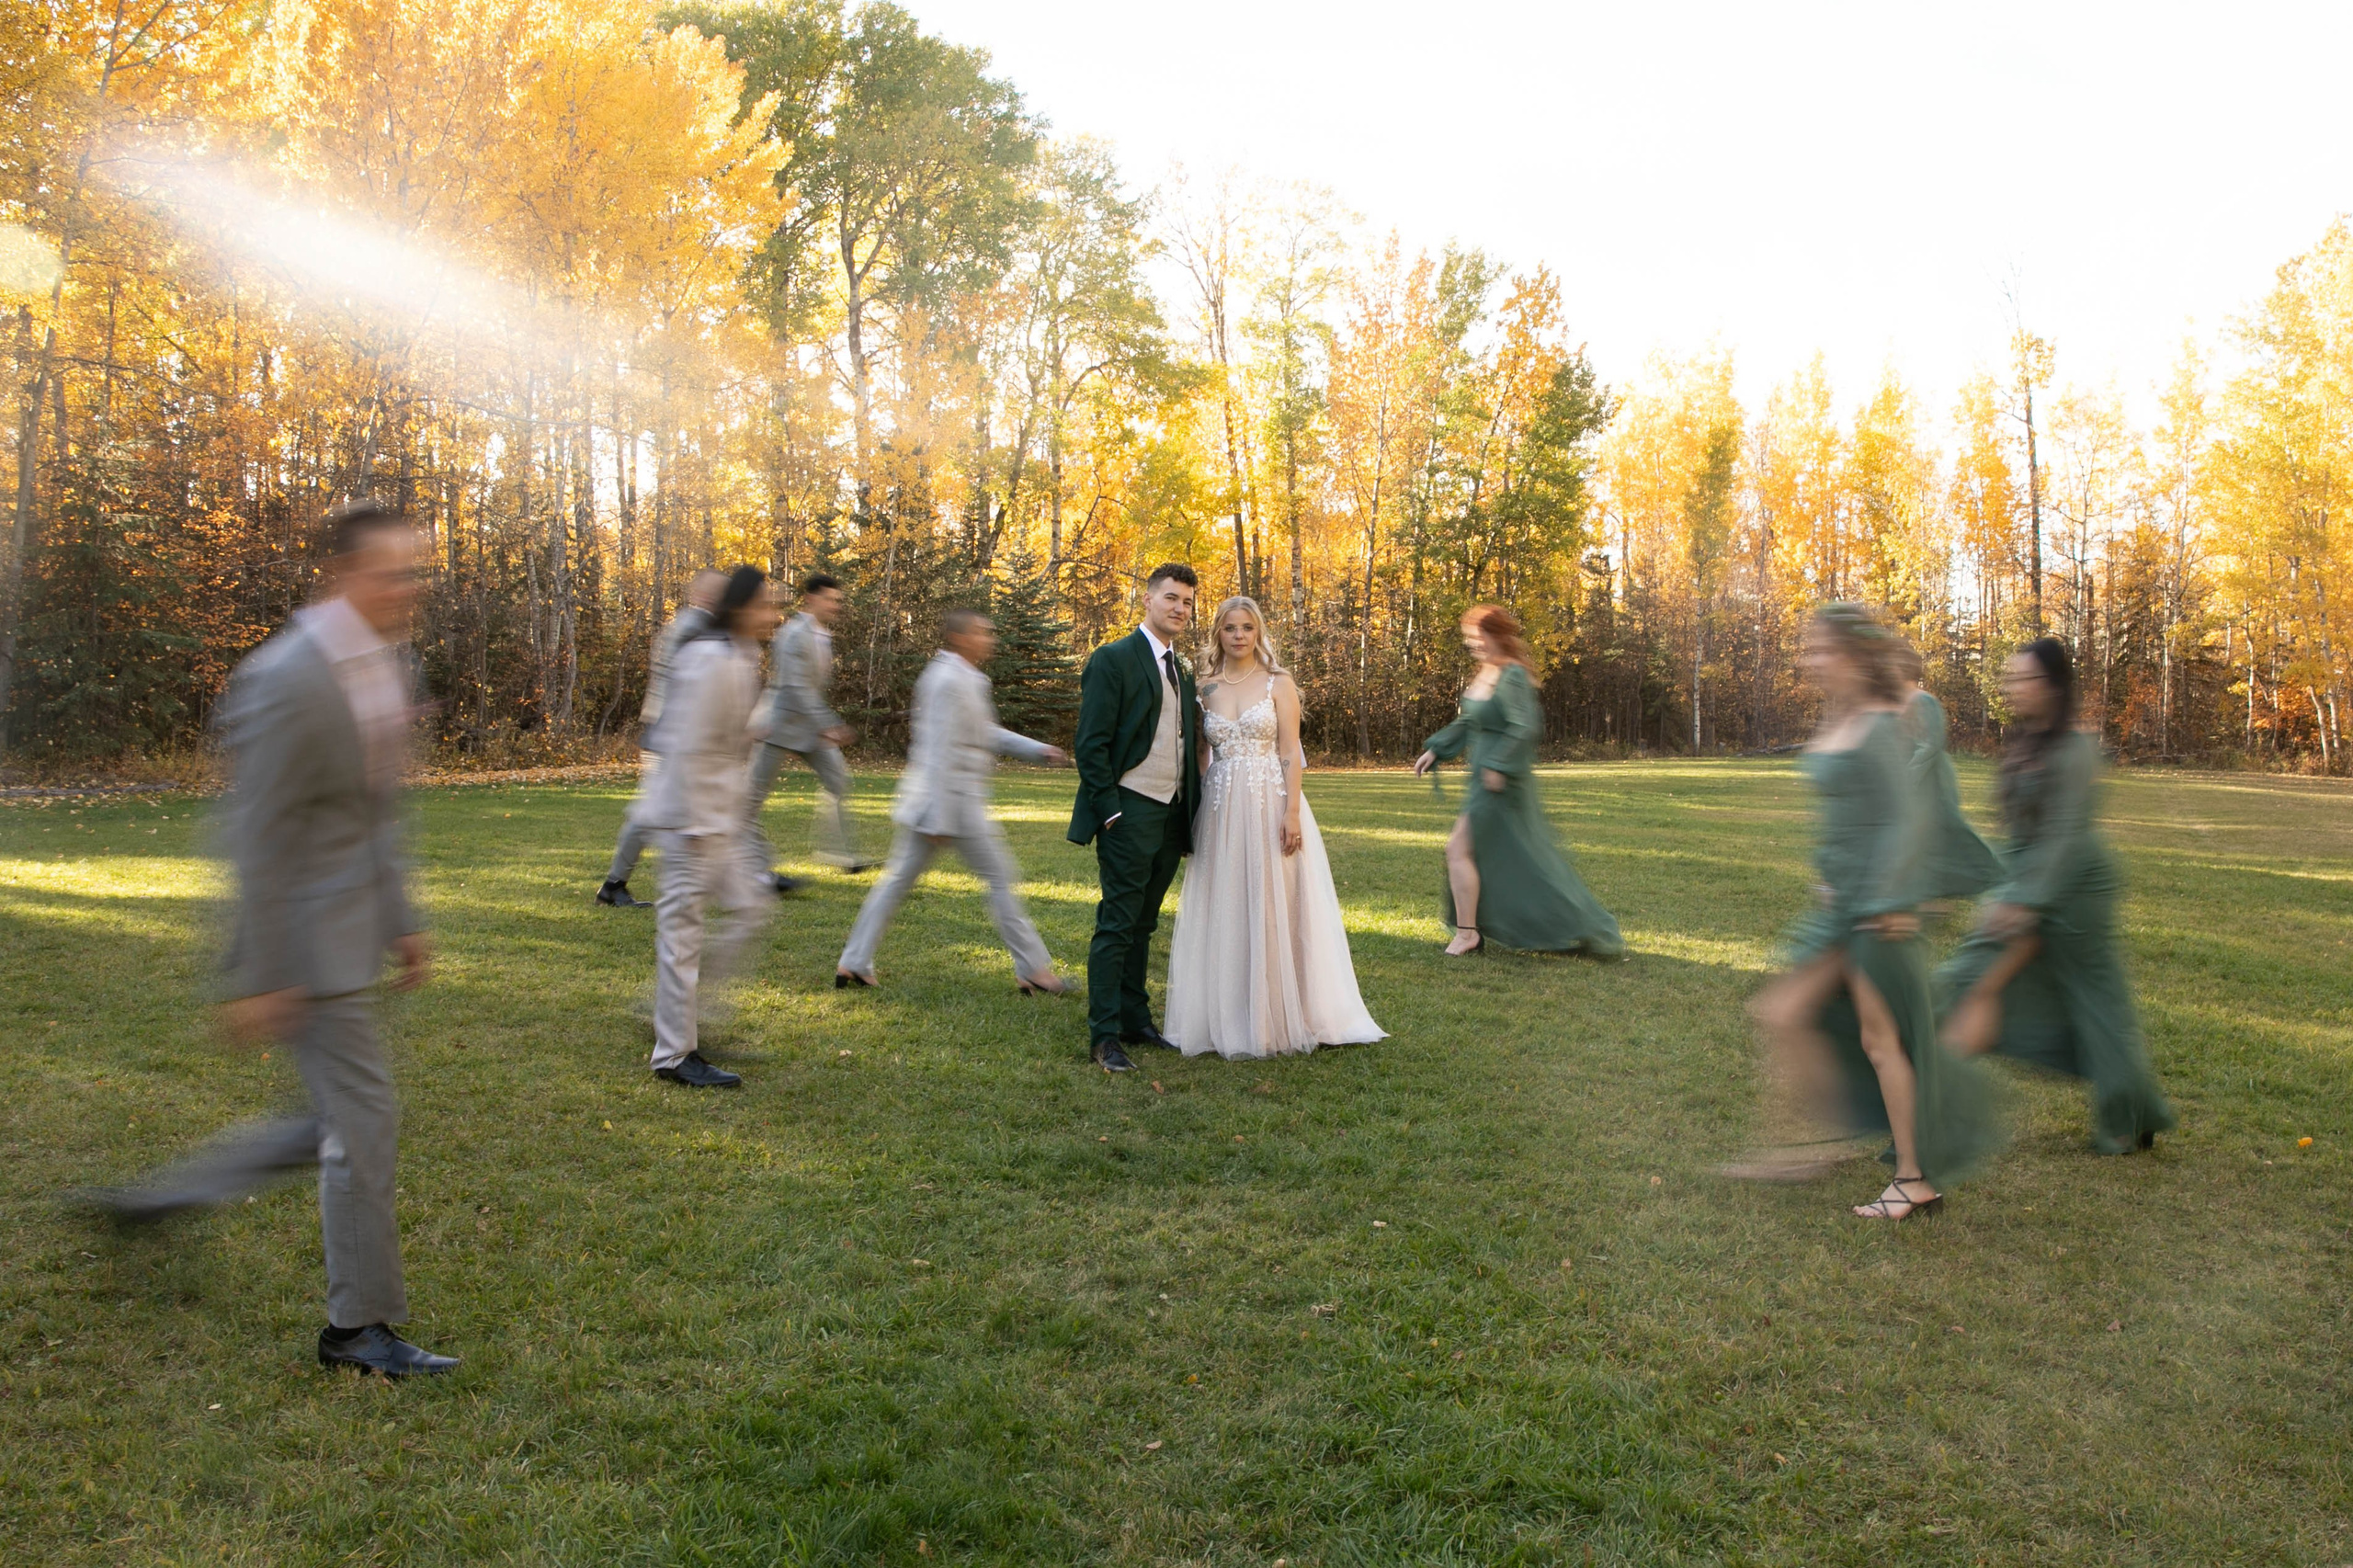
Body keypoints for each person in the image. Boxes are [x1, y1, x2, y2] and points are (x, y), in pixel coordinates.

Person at [92, 499, 455, 1377]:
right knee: (363, 1122)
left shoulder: (381, 662)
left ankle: (165, 1197)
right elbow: (257, 830)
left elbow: (369, 806)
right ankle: (356, 1331)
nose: (409, 587)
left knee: (331, 1120)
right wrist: (262, 972)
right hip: (301, 943)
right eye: (393, 570)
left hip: (348, 928)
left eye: (417, 571)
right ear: (346, 575)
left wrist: (397, 914)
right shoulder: (289, 674)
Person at [1733, 603, 2002, 1219]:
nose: (1810, 659)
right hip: (1841, 906)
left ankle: (1913, 1179)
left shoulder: (1883, 722)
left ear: (1852, 653)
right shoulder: (1846, 714)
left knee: (1883, 1042)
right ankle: (1800, 1144)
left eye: (1821, 649)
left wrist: (1892, 900)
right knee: (1783, 1012)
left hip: (1875, 912)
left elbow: (1909, 820)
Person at [1937, 637, 2177, 1153]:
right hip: (2027, 880)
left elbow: (2065, 834)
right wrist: (1997, 883)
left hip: (2075, 889)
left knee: (2095, 1002)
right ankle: (1931, 1097)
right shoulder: (2027, 741)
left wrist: (2024, 900)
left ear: (2053, 686)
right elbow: (2020, 832)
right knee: (1973, 979)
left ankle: (2128, 1117)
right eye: (2010, 678)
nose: (2013, 688)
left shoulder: (2076, 750)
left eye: (2023, 679)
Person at [1165, 597, 1383, 1058]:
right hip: (1222, 809)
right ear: (1218, 634)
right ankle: (1229, 1011)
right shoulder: (1203, 687)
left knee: (1275, 902)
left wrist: (1290, 813)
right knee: (1227, 901)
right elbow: (1201, 756)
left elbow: (1290, 750)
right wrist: (1195, 812)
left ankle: (1284, 1012)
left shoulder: (1278, 683)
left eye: (1247, 627)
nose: (1239, 635)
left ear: (1259, 632)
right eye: (1230, 628)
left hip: (1271, 801)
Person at [835, 609, 1073, 992]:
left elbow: (982, 731)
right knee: (999, 878)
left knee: (896, 882)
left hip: (938, 803)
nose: (990, 639)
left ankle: (854, 962)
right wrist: (940, 821)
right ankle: (1033, 969)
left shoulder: (963, 677)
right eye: (983, 633)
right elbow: (939, 750)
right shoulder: (948, 680)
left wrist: (1036, 749)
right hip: (950, 805)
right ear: (961, 638)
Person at [1411, 606, 1621, 958]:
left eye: (1476, 637)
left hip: (1501, 781)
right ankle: (1473, 931)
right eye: (1469, 638)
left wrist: (1498, 765)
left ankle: (1468, 934)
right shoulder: (1486, 674)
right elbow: (1468, 723)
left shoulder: (1512, 675)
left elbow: (1524, 726)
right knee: (1511, 858)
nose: (1472, 644)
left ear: (1494, 635)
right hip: (1482, 778)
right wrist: (1436, 749)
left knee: (1460, 849)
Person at [642, 566, 780, 1090]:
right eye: (767, 604)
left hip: (718, 819)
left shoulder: (741, 656)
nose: (773, 614)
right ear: (744, 608)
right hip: (691, 821)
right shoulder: (708, 658)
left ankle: (685, 1015)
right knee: (681, 936)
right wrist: (697, 825)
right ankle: (674, 1053)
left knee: (751, 908)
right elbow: (685, 744)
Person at [1067, 562, 1202, 1073]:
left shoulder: (1182, 668)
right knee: (1118, 922)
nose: (1179, 608)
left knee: (1145, 922)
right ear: (1147, 600)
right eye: (1171, 598)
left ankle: (1134, 1018)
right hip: (1129, 808)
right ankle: (1104, 1037)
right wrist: (1111, 811)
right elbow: (1091, 744)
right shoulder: (1113, 658)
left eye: (1187, 602)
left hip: (1172, 812)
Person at [598, 567, 726, 909]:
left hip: (672, 735)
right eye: (721, 594)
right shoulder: (695, 627)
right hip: (671, 737)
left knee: (679, 810)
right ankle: (614, 885)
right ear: (705, 595)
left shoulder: (688, 625)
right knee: (649, 814)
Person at [749, 572, 873, 878]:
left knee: (838, 781)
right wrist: (829, 724)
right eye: (830, 599)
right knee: (751, 799)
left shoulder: (822, 634)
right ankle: (755, 866)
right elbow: (795, 687)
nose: (835, 606)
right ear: (811, 598)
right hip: (780, 725)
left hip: (810, 729)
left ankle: (838, 852)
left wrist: (821, 725)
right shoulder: (792, 634)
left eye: (838, 601)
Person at [1893, 639, 2000, 903]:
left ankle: (1994, 875)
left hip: (1931, 780)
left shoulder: (1923, 700)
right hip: (1911, 776)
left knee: (1948, 830)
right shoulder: (1900, 703)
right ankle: (1927, 893)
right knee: (1914, 835)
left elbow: (1930, 743)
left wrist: (1908, 778)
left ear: (1902, 668)